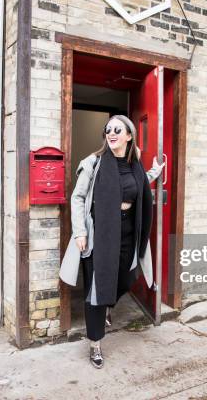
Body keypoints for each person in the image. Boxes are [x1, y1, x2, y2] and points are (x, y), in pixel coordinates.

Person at [60, 115, 165, 369]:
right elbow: (78, 197)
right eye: (108, 130)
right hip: (100, 236)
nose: (112, 133)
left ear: (129, 135)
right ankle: (95, 344)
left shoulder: (135, 164)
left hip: (129, 232)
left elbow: (139, 185)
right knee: (97, 290)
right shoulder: (93, 163)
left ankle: (109, 304)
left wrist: (155, 171)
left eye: (118, 129)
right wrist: (80, 232)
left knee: (127, 278)